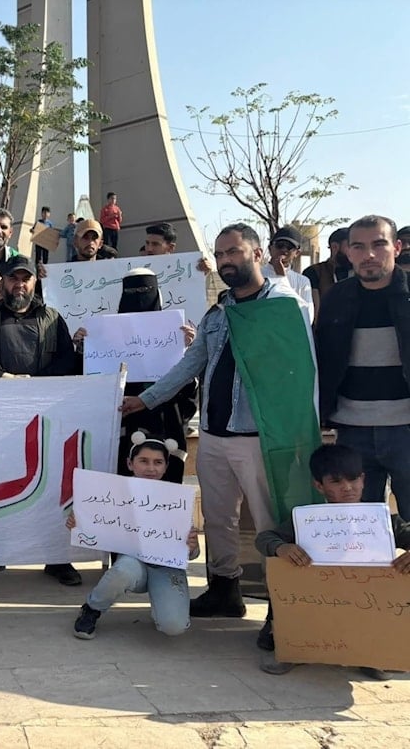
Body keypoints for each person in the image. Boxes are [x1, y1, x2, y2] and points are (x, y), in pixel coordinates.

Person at [121, 222, 313, 618]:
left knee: (268, 521)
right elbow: (193, 362)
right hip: (213, 433)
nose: (226, 260)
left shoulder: (283, 306)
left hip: (259, 436)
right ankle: (225, 590)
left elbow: (302, 372)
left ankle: (285, 611)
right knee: (217, 517)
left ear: (257, 254)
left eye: (234, 252)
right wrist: (146, 399)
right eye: (221, 254)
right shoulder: (220, 309)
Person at [0, 254, 78, 584]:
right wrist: (1, 377)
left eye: (25, 278)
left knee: (52, 484)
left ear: (34, 282)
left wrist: (36, 384)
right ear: (2, 283)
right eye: (14, 278)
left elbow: (67, 360)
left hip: (46, 419)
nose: (20, 284)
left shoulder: (53, 318)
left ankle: (57, 558)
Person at [254, 444, 410, 678]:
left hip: (368, 603)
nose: (348, 488)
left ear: (364, 479)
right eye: (337, 482)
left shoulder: (383, 520)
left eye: (354, 479)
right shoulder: (307, 519)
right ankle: (294, 651)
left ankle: (371, 656)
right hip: (316, 601)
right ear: (319, 485)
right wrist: (282, 548)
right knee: (285, 570)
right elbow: (264, 538)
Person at [315, 215, 410, 519]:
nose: (369, 255)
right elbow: (323, 359)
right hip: (352, 431)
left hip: (405, 429)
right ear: (347, 252)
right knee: (361, 526)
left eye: (378, 244)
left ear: (396, 247)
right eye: (359, 246)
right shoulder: (336, 299)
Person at [67, 433, 199, 639]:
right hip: (133, 564)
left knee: (173, 626)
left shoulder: (177, 500)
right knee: (122, 571)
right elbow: (98, 529)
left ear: (166, 466)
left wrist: (192, 545)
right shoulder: (113, 495)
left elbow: (190, 554)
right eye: (143, 461)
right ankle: (92, 607)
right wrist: (80, 524)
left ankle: (164, 607)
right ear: (130, 463)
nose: (151, 468)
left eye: (158, 462)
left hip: (166, 569)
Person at [74, 268, 196, 482]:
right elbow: (89, 388)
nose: (140, 301)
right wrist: (84, 350)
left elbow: (188, 393)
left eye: (146, 292)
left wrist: (187, 352)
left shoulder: (176, 337)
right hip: (120, 429)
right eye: (133, 294)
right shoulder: (106, 337)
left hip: (166, 426)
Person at [302, 227, 352, 325]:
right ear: (335, 247)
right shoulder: (314, 272)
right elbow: (314, 310)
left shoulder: (361, 272)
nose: (354, 251)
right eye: (351, 246)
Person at [264, 226, 313, 317]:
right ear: (270, 248)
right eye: (280, 245)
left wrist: (281, 278)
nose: (284, 250)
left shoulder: (302, 281)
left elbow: (307, 316)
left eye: (290, 247)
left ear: (297, 253)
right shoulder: (257, 275)